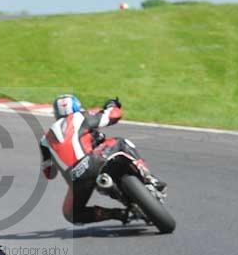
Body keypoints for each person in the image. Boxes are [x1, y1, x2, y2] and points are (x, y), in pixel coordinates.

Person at [39, 94, 166, 224]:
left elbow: (49, 172)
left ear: (55, 113)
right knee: (121, 142)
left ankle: (119, 214)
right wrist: (112, 105)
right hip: (95, 159)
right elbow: (114, 115)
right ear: (77, 107)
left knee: (71, 214)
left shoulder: (45, 139)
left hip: (77, 177)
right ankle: (150, 179)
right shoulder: (80, 116)